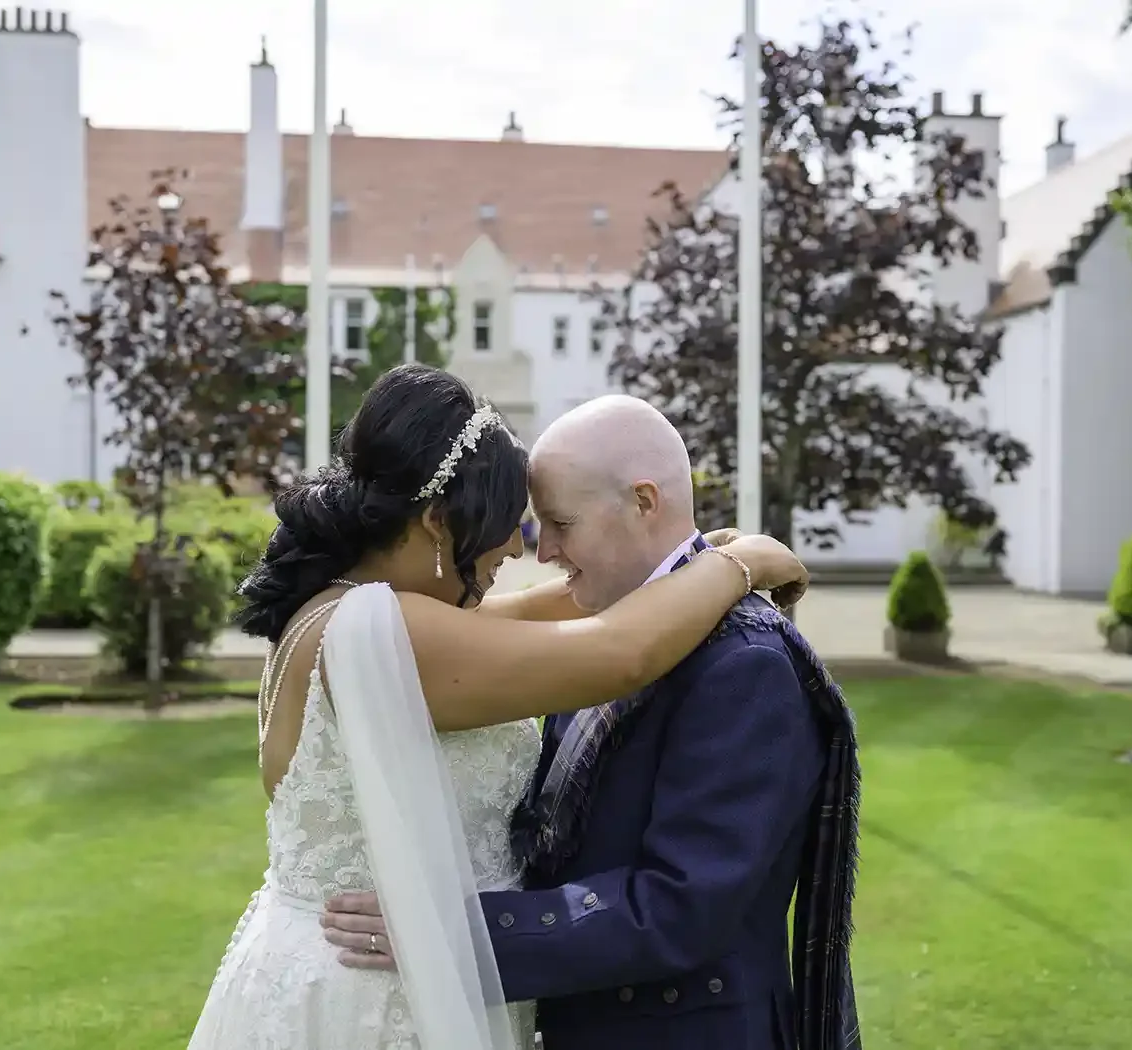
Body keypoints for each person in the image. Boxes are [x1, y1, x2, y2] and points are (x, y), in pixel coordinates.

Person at [185, 365, 809, 1050]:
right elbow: (620, 649)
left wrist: (683, 557)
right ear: (436, 521)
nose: (522, 547)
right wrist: (742, 563)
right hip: (379, 996)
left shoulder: (344, 611)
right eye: (511, 524)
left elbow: (568, 603)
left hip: (356, 971)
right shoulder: (387, 632)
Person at [321, 394, 864, 1050]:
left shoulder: (746, 664)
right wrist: (728, 561)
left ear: (643, 502)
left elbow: (680, 907)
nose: (543, 549)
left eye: (559, 523)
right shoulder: (601, 628)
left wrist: (458, 936)